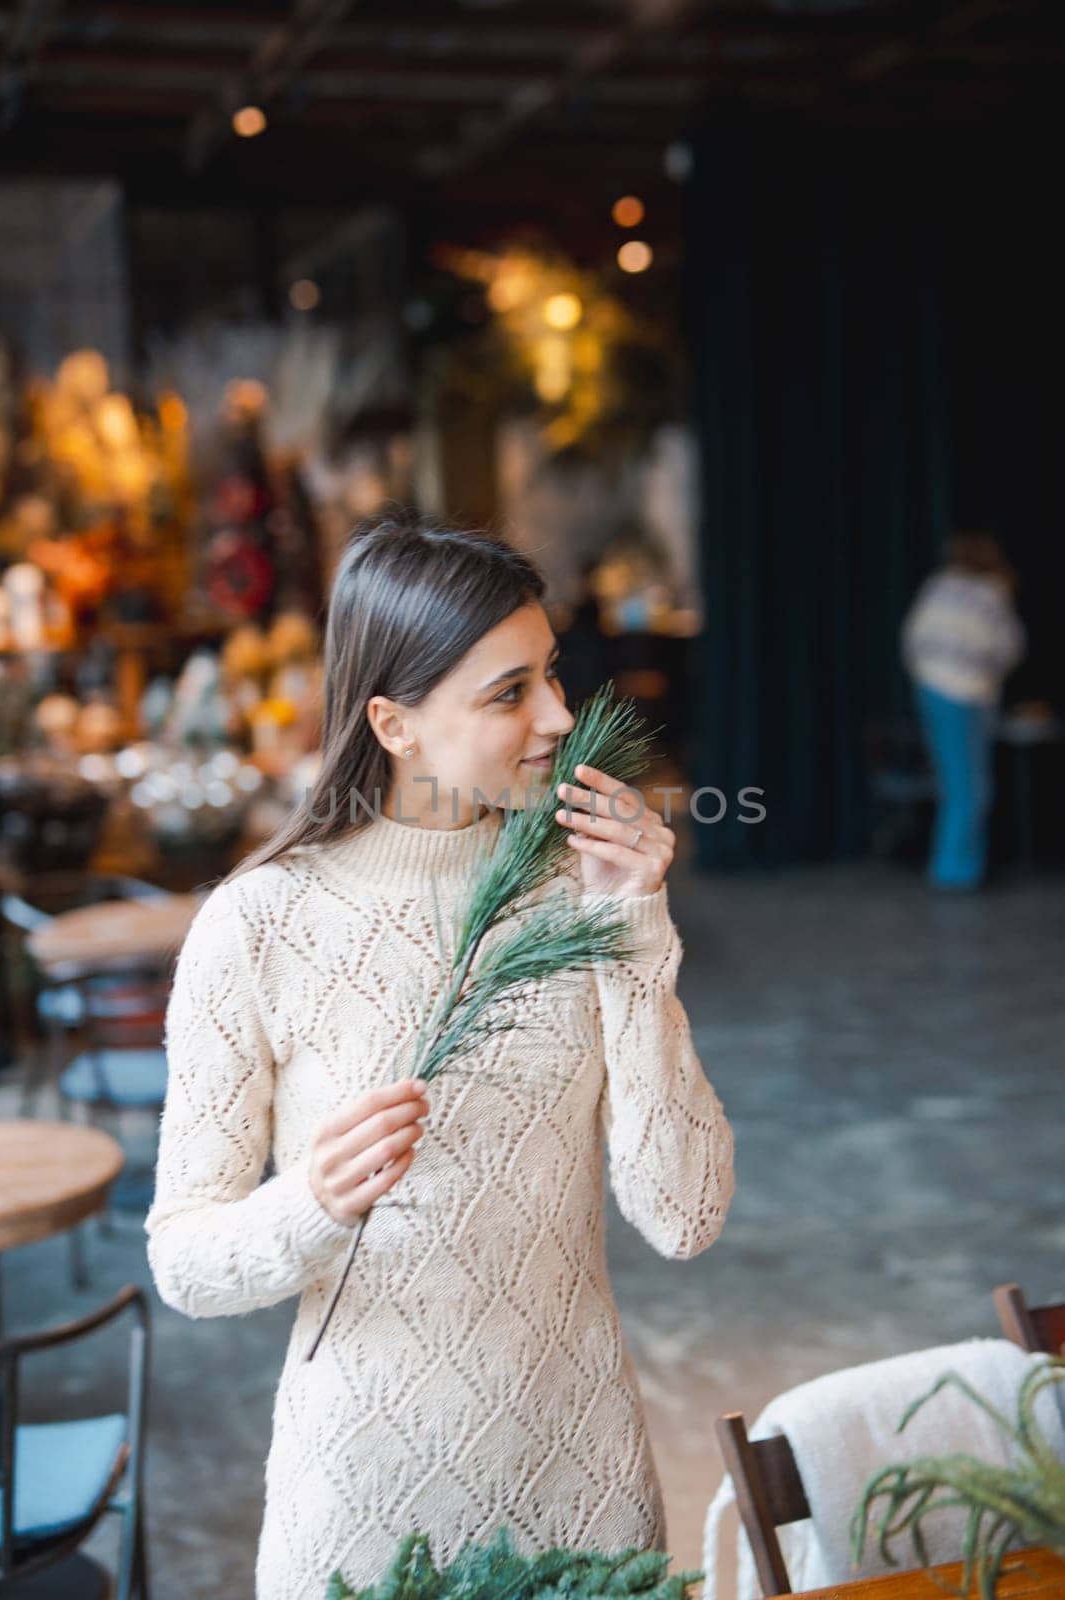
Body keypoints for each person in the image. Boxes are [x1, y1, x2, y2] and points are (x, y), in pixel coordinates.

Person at [144, 510, 735, 1600]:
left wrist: (637, 939)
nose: (560, 713)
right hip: (360, 1512)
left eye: (549, 674)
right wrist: (307, 1205)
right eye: (509, 692)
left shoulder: (575, 890)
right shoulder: (258, 925)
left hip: (581, 1489)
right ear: (393, 721)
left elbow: (684, 1216)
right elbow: (183, 1261)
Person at [900, 533, 1026, 890]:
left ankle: (954, 866)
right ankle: (956, 871)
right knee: (970, 787)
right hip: (967, 693)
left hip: (931, 689)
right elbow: (1008, 647)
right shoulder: (990, 593)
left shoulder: (938, 588)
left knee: (955, 782)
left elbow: (913, 640)